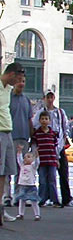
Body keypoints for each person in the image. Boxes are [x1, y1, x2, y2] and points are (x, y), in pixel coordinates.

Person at [33, 90, 73, 208]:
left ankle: (66, 198)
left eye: (51, 96)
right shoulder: (40, 113)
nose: (49, 99)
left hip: (58, 146)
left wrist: (62, 141)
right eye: (47, 97)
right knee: (44, 175)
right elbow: (35, 127)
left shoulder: (60, 112)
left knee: (63, 173)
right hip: (44, 148)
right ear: (44, 98)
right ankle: (44, 197)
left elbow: (65, 127)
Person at [0, 62, 26, 225]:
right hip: (0, 130)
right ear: (11, 75)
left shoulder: (8, 90)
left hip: (8, 130)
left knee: (6, 171)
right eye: (17, 79)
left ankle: (1, 207)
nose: (18, 82)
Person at [3, 75, 33, 207]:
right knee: (8, 167)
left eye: (23, 82)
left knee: (22, 168)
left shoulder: (26, 100)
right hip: (10, 136)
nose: (21, 84)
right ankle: (6, 196)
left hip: (24, 137)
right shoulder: (8, 98)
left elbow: (29, 119)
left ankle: (18, 196)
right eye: (19, 81)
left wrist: (31, 135)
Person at [31, 111, 61, 208]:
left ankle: (54, 200)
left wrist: (57, 159)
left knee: (52, 180)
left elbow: (55, 148)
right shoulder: (37, 134)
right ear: (39, 120)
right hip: (41, 161)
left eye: (46, 119)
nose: (44, 121)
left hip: (51, 160)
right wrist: (34, 157)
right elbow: (34, 147)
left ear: (49, 121)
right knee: (42, 180)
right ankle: (41, 199)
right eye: (42, 119)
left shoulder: (53, 134)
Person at [14, 146, 40, 221]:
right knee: (22, 200)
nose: (25, 158)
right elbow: (19, 160)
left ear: (33, 159)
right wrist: (19, 152)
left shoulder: (33, 167)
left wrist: (37, 154)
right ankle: (20, 214)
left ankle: (37, 214)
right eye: (25, 157)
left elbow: (37, 162)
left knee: (34, 201)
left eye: (28, 157)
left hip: (31, 186)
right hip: (23, 185)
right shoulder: (22, 165)